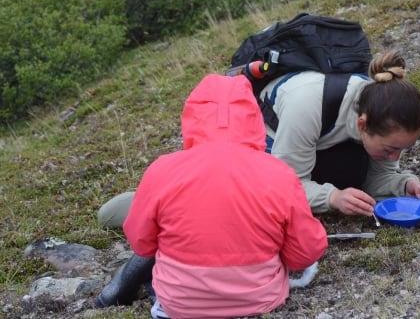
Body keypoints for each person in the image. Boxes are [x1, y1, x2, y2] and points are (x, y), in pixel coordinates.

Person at [95, 74, 327, 317]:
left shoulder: (161, 170)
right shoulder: (279, 172)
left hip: (179, 303)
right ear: (253, 118)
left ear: (191, 117)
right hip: (260, 299)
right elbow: (305, 253)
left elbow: (141, 241)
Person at [261, 50, 420, 217]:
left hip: (321, 135)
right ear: (362, 124)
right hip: (274, 134)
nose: (394, 157)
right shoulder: (305, 108)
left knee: (352, 175)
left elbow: (377, 178)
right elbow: (285, 187)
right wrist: (332, 197)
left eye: (402, 149)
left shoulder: (380, 110)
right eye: (390, 149)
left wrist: (404, 186)